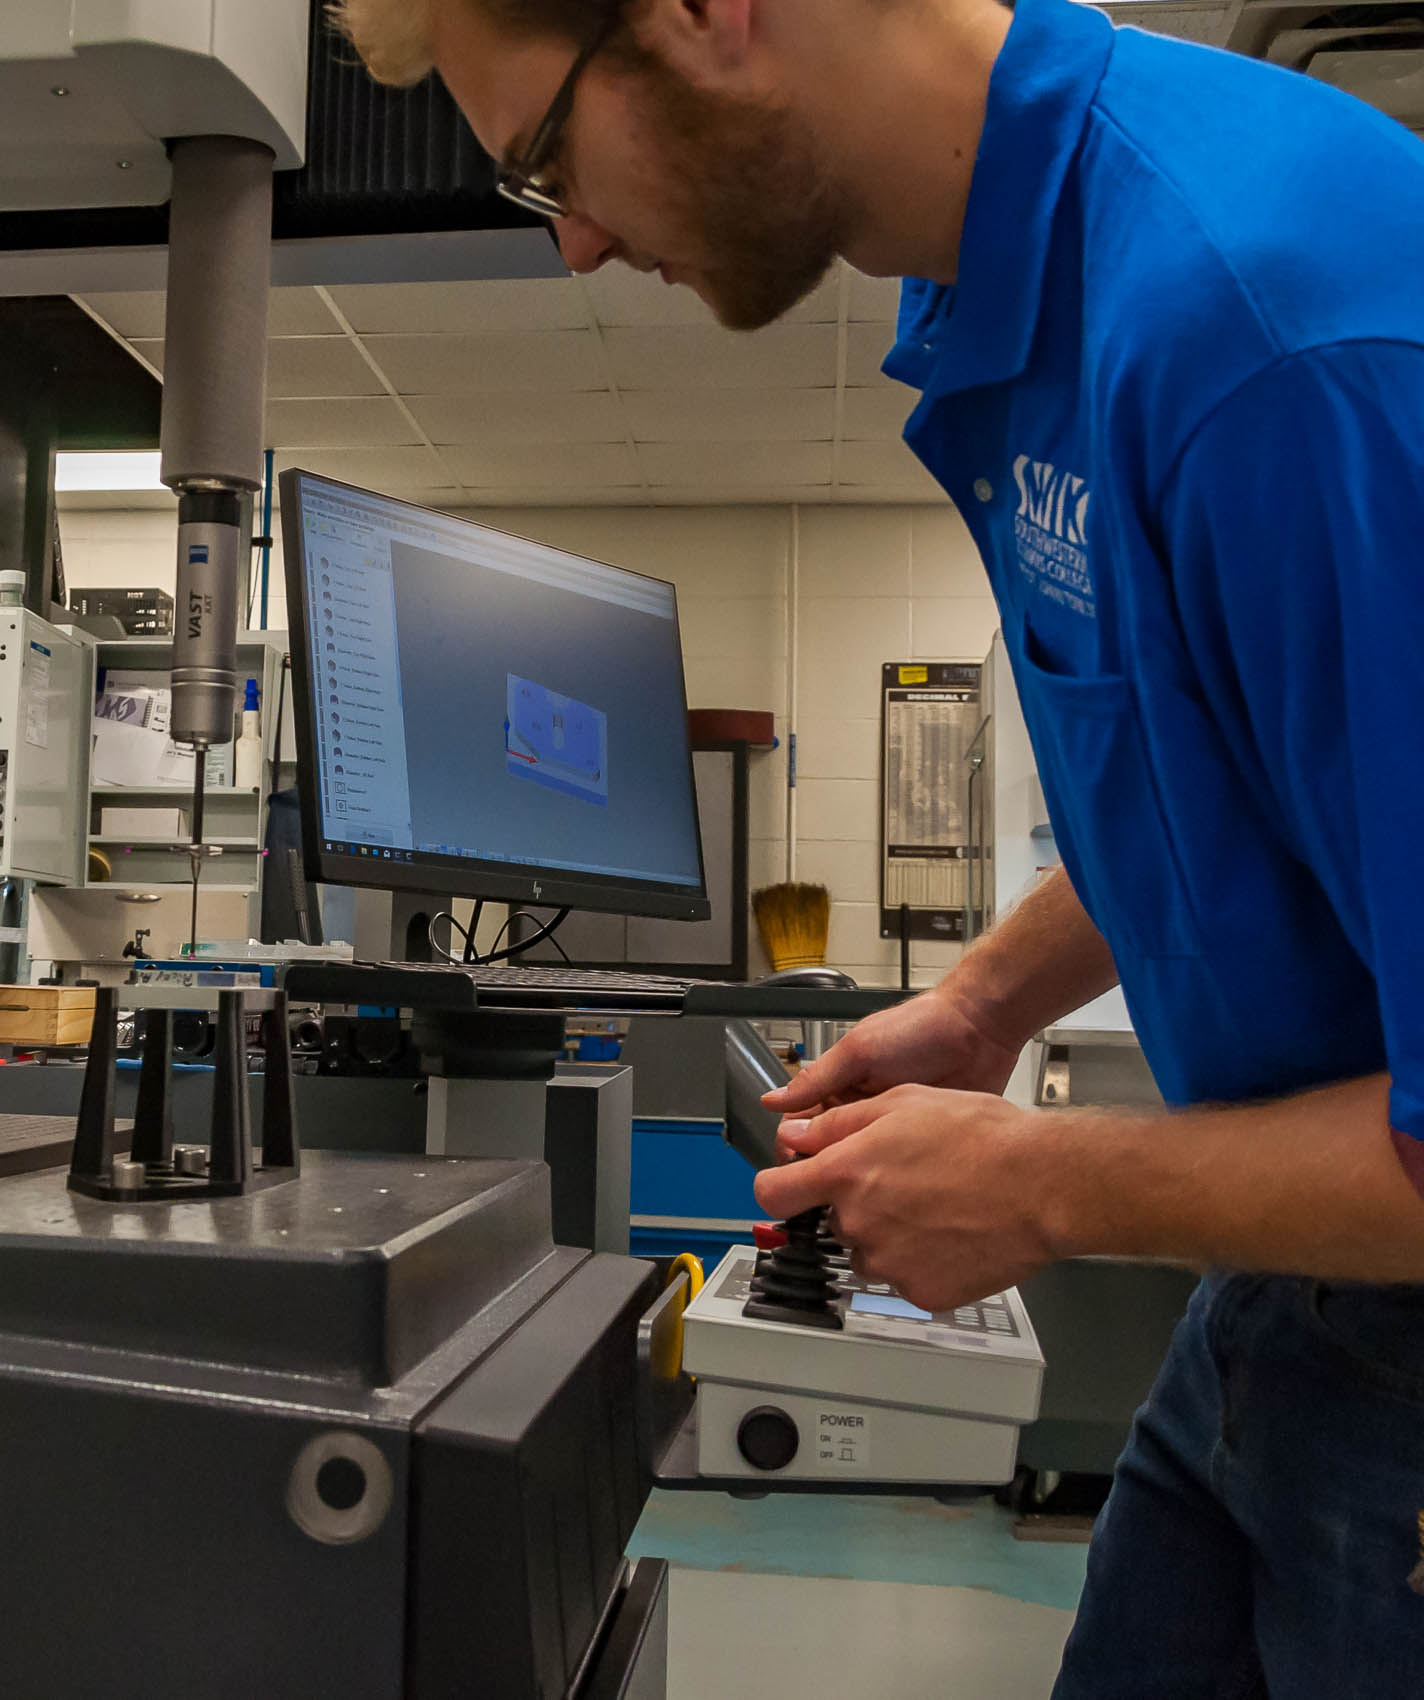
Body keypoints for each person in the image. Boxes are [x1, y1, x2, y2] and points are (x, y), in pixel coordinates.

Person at [331, 0, 1424, 1691]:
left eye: (548, 156)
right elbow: (1217, 767)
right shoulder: (1007, 295)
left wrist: (1049, 1184)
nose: (578, 243)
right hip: (1281, 1304)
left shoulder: (1265, 336)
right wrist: (987, 1005)